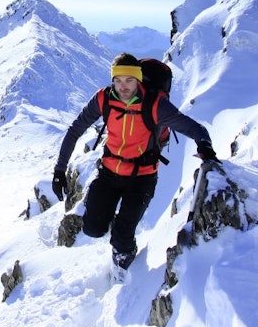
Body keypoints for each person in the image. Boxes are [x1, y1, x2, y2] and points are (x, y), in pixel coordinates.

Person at [52, 53, 219, 272]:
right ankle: (119, 227)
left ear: (138, 79)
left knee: (122, 237)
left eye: (129, 80)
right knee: (92, 228)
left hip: (142, 177)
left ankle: (124, 269)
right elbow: (75, 130)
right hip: (109, 172)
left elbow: (195, 128)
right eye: (118, 80)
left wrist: (204, 145)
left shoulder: (155, 105)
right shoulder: (104, 99)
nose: (123, 86)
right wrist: (59, 170)